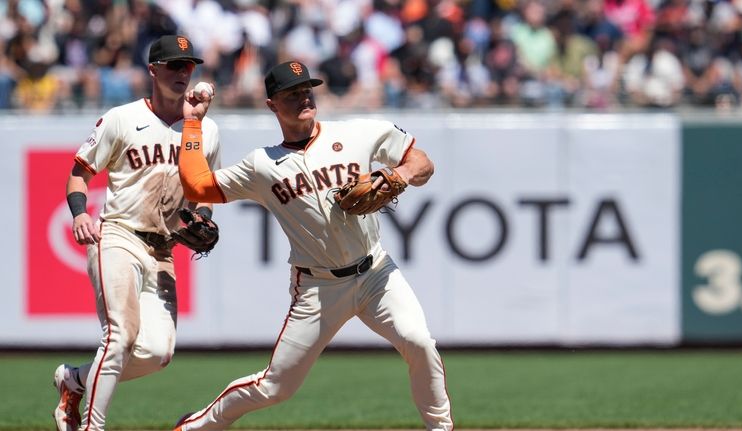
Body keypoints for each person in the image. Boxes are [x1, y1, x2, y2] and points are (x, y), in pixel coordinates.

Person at [174, 60, 453, 430]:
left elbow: (422, 163)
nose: (303, 97)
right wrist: (193, 123)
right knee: (276, 386)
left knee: (420, 342)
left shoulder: (359, 133)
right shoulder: (262, 165)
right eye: (292, 93)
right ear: (272, 104)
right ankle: (195, 426)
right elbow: (197, 186)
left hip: (376, 274)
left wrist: (398, 174)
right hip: (319, 286)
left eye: (307, 89)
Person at [52, 35, 221, 431]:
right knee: (121, 335)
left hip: (164, 250)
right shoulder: (122, 118)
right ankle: (91, 426)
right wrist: (79, 214)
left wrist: (205, 219)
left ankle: (74, 380)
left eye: (188, 66)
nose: (183, 73)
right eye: (174, 65)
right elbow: (80, 174)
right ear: (153, 70)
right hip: (119, 237)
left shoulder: (205, 130)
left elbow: (203, 195)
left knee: (157, 352)